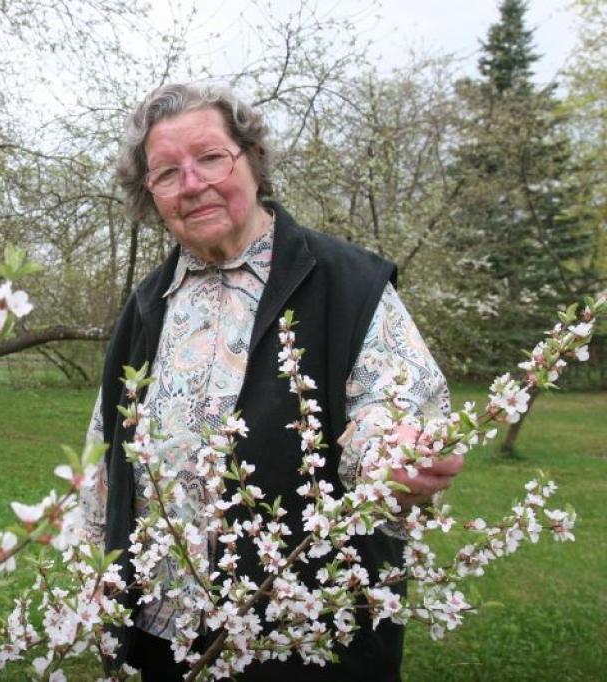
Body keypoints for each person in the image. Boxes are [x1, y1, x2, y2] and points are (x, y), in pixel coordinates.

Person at [81, 82, 463, 680]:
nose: (192, 183)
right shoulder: (147, 304)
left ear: (253, 159)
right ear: (150, 194)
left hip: (302, 643)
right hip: (160, 642)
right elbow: (105, 459)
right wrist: (98, 580)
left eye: (211, 157)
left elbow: (394, 401)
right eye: (167, 173)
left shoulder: (345, 282)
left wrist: (394, 458)